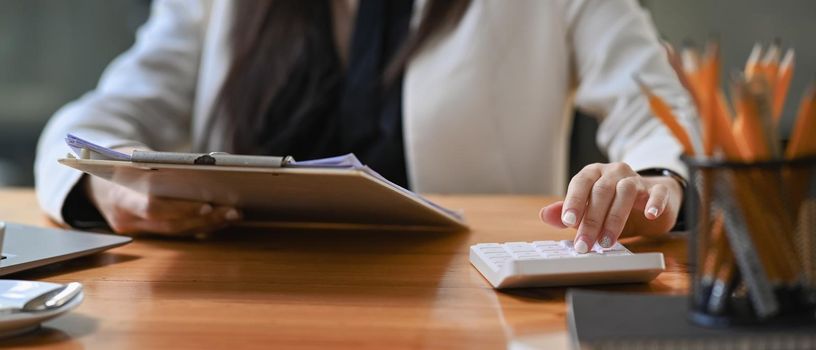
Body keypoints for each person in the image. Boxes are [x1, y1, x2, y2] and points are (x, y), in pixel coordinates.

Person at [35, 0, 696, 253]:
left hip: (466, 308)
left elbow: (666, 125)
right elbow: (90, 124)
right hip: (234, 303)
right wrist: (106, 187)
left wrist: (651, 185)